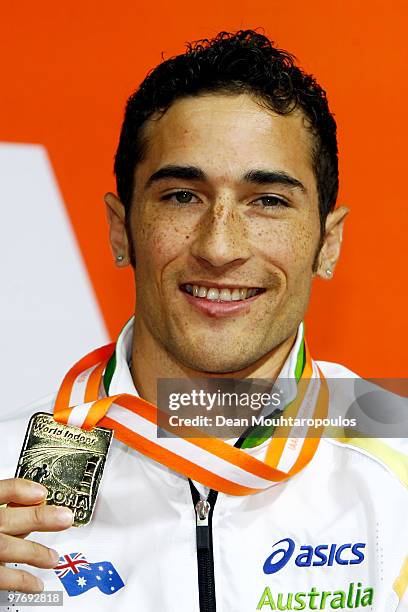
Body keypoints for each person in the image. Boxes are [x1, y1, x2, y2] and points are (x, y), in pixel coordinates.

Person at [0, 30, 406, 612]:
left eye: (268, 200)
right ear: (121, 229)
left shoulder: (398, 456)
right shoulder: (7, 467)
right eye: (182, 196)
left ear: (328, 242)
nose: (219, 247)